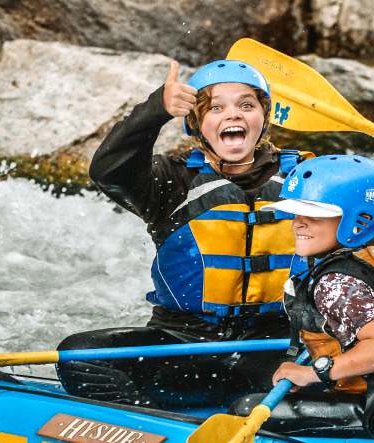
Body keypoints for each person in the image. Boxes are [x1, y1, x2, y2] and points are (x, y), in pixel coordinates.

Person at [55, 59, 313, 407]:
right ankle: (142, 423)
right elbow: (108, 170)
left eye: (246, 105)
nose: (233, 115)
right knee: (79, 354)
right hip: (185, 341)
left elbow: (355, 246)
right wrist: (155, 111)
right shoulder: (169, 182)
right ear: (196, 123)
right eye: (216, 107)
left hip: (275, 345)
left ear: (263, 119)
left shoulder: (307, 180)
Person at [232, 155, 374, 438]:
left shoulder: (336, 281)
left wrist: (313, 373)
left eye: (313, 214)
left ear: (360, 218)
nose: (298, 224)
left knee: (246, 408)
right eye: (296, 213)